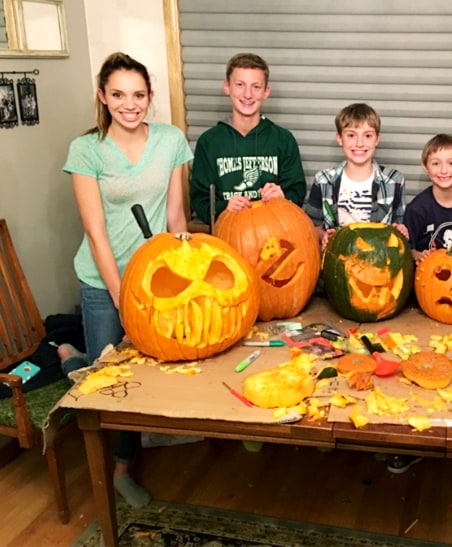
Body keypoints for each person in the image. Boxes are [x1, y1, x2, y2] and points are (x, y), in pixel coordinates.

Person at [62, 52, 193, 508]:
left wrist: (184, 269)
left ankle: (70, 356)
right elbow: (95, 232)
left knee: (153, 368)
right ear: (103, 96)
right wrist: (121, 297)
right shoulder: (86, 150)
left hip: (158, 278)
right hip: (105, 281)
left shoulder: (172, 140)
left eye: (138, 94)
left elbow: (177, 215)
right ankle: (117, 473)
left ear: (150, 97)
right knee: (108, 377)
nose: (129, 104)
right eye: (118, 94)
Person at [190, 53, 306, 224]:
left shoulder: (283, 140)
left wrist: (283, 197)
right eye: (240, 85)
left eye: (256, 87)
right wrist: (225, 207)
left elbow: (297, 192)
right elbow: (200, 199)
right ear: (227, 87)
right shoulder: (209, 142)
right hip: (226, 235)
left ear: (266, 92)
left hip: (274, 235)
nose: (248, 94)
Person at [303, 102, 408, 250]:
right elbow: (312, 227)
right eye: (351, 135)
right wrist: (324, 235)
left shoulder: (394, 181)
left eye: (368, 136)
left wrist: (402, 230)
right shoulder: (323, 180)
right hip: (336, 260)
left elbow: (400, 229)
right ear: (339, 138)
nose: (359, 143)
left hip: (378, 263)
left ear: (377, 139)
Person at [403, 134, 452, 262]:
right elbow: (406, 251)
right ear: (425, 167)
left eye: (451, 163)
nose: (444, 170)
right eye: (436, 163)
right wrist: (419, 255)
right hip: (425, 274)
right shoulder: (417, 208)